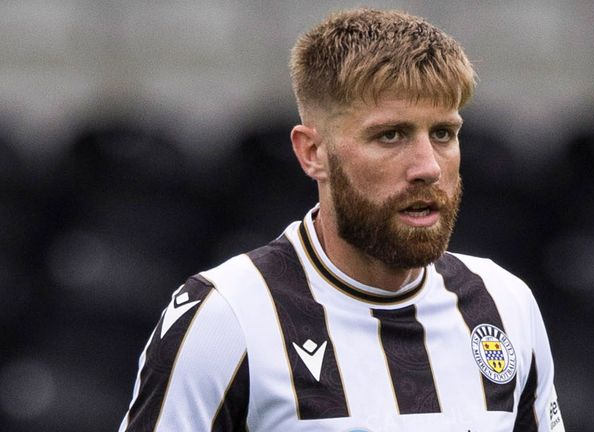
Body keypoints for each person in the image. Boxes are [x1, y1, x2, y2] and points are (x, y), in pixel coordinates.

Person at [119, 8, 564, 432]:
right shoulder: (227, 315)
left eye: (444, 134)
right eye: (391, 135)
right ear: (313, 153)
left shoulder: (506, 304)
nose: (428, 166)